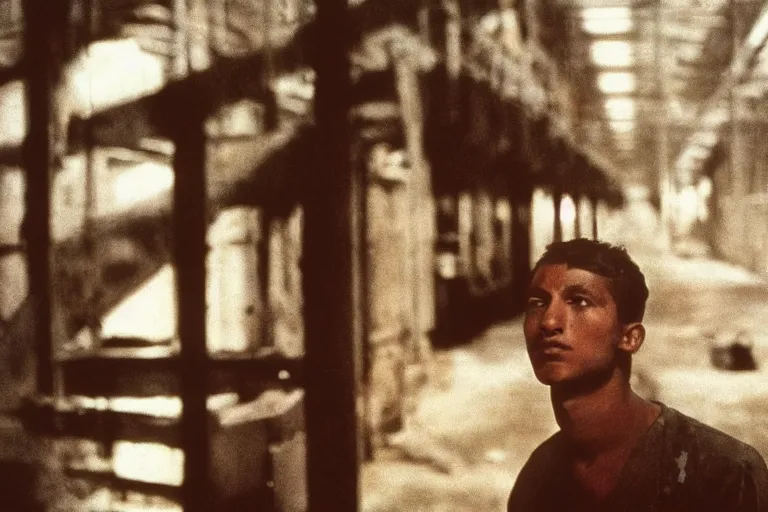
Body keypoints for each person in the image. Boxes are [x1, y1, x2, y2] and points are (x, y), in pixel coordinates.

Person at [507, 238, 768, 511]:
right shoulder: (537, 481)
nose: (549, 321)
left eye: (579, 302)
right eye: (538, 302)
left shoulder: (726, 475)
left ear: (630, 338)